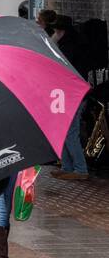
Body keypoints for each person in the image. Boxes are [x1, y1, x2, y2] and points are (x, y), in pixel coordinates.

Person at [50, 15, 92, 180]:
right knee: (66, 130)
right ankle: (67, 167)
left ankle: (81, 170)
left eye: (56, 29)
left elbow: (60, 67)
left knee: (70, 132)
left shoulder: (68, 47)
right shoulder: (74, 43)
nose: (54, 32)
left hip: (73, 94)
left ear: (61, 31)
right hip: (72, 93)